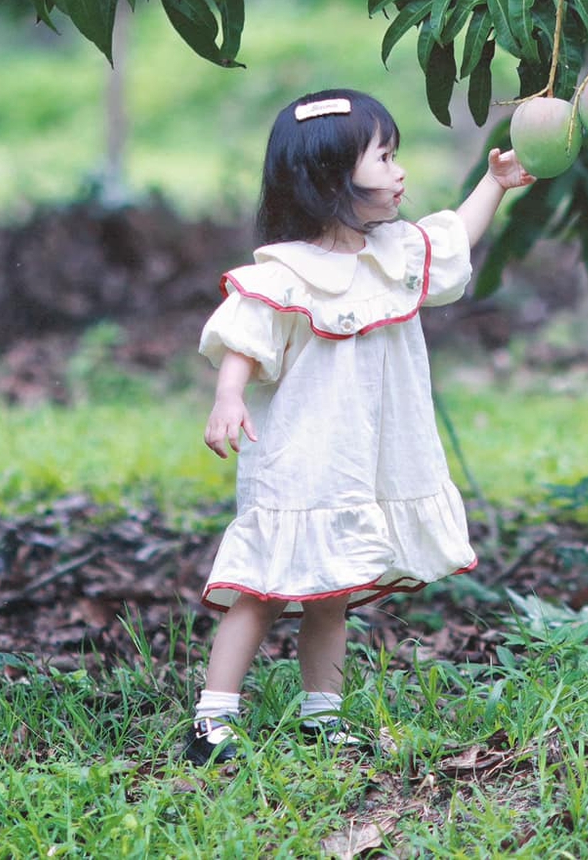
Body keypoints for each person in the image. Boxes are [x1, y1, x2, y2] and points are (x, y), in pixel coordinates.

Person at [183, 87, 535, 764]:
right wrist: (228, 395)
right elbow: (243, 337)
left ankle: (322, 713)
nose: (400, 171)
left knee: (331, 591)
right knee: (262, 585)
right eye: (384, 157)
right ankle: (213, 719)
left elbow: (454, 237)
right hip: (301, 452)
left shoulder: (395, 254)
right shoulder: (287, 272)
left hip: (361, 454)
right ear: (329, 176)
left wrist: (494, 183)